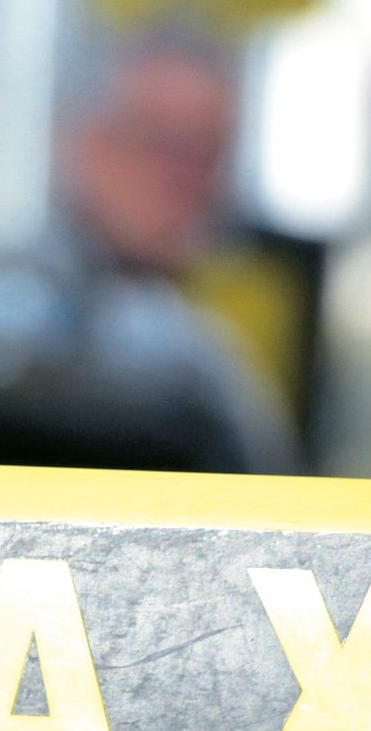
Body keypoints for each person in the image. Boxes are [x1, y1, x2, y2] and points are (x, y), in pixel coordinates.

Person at [46, 26, 297, 470]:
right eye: (154, 141)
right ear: (82, 141)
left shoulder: (212, 357)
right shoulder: (1, 313)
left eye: (205, 152)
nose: (179, 178)